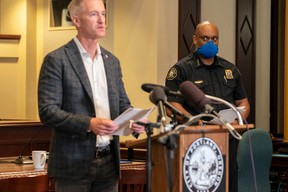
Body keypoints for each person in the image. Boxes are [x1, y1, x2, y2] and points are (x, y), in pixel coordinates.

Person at [38, 0, 145, 191]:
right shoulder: (57, 60)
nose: (102, 20)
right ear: (77, 20)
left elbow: (122, 105)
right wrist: (88, 124)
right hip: (73, 164)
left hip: (109, 162)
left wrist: (133, 122)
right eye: (94, 14)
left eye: (103, 14)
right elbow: (48, 111)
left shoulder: (112, 62)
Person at [165, 21, 250, 192]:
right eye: (205, 38)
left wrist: (239, 121)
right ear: (195, 39)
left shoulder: (230, 70)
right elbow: (171, 106)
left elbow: (243, 102)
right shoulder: (181, 70)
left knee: (228, 185)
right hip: (196, 143)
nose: (210, 43)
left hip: (227, 140)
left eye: (214, 38)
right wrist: (196, 122)